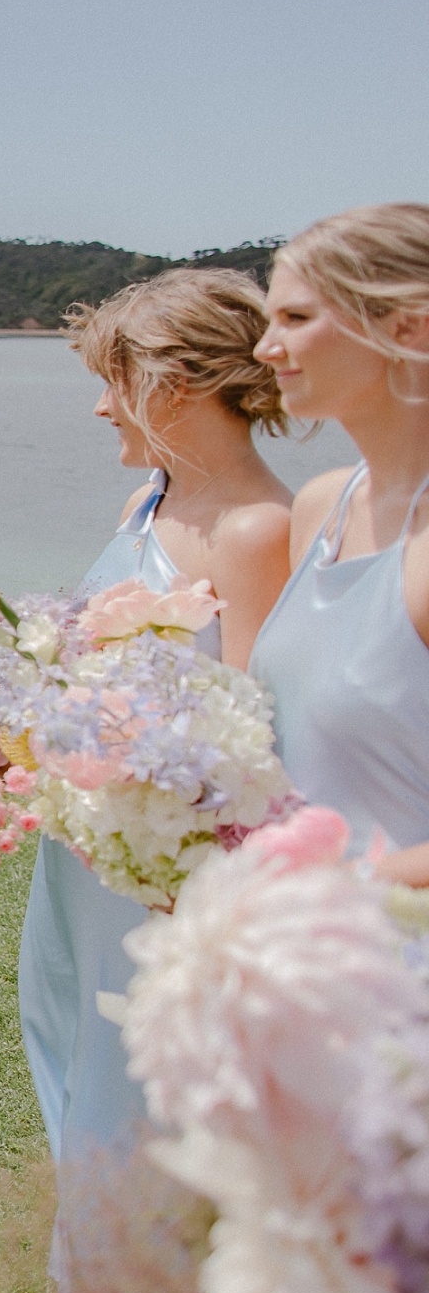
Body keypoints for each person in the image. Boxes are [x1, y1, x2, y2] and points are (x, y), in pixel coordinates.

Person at [13, 269, 293, 1293]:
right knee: (79, 1094)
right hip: (83, 875)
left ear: (175, 381)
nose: (99, 405)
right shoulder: (148, 501)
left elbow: (258, 740)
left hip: (164, 894)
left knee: (137, 1135)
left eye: (114, 377)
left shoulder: (257, 529)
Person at [250, 204, 429, 873]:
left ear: (407, 327)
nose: (268, 347)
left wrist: (335, 892)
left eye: (296, 318)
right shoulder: (323, 506)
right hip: (307, 959)